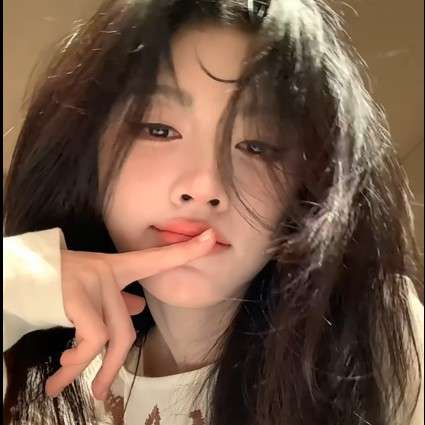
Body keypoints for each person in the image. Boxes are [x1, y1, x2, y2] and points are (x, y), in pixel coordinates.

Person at [3, 0, 423, 424]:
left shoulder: (376, 335)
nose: (204, 188)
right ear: (87, 151)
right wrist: (16, 282)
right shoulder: (54, 383)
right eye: (159, 129)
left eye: (257, 146)